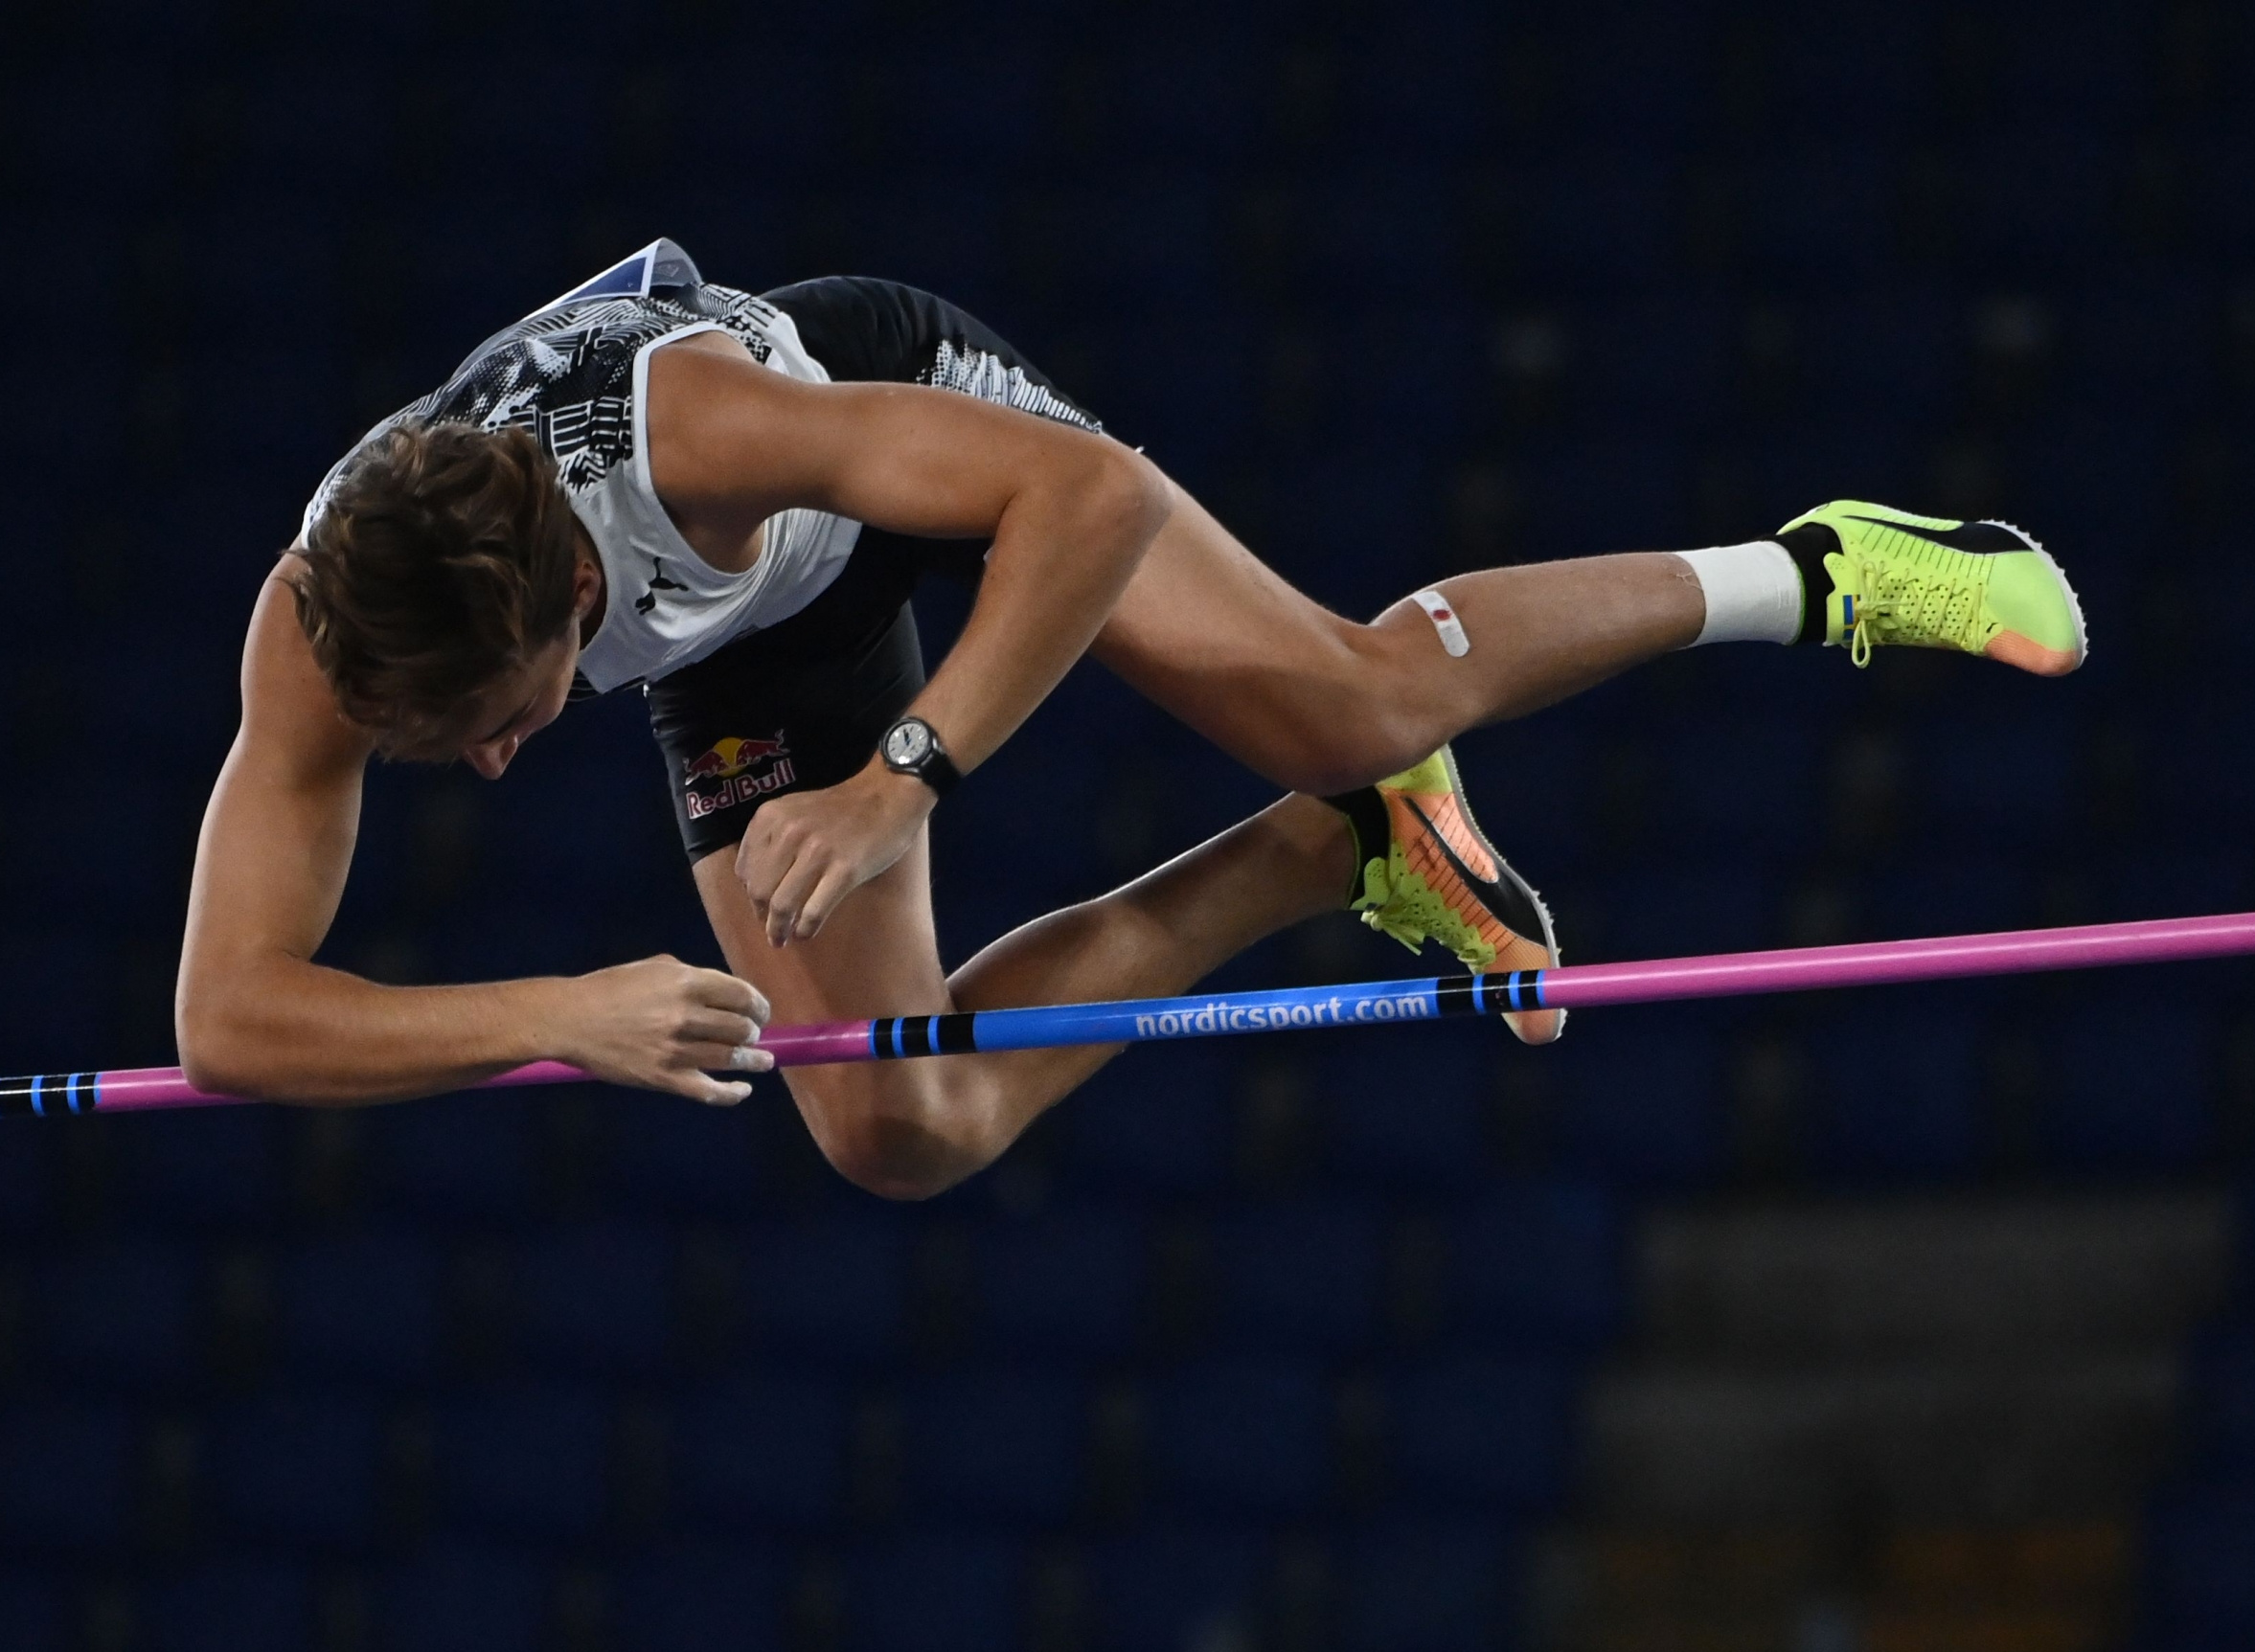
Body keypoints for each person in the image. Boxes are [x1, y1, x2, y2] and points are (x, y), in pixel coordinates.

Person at [176, 239, 2086, 1200]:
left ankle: (1826, 565)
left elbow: (1074, 505)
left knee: (1355, 694)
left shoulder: (706, 435)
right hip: (739, 641)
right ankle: (1339, 848)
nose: (502, 759)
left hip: (906, 433)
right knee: (897, 1127)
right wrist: (557, 1016)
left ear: (571, 602)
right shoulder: (321, 632)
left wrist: (910, 774)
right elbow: (229, 1018)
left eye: (504, 723)